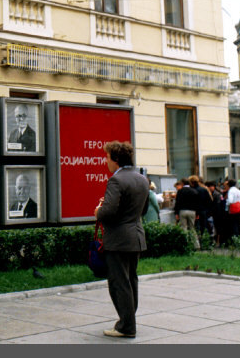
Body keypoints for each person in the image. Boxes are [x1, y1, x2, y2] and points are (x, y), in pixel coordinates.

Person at [94, 141, 149, 339]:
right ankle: (129, 320)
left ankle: (126, 326)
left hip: (118, 239)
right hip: (136, 236)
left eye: (107, 157)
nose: (105, 161)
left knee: (119, 283)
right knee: (131, 280)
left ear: (115, 160)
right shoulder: (142, 179)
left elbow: (108, 212)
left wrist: (98, 211)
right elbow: (142, 210)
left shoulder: (115, 181)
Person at [174, 178, 200, 250]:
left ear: (182, 184)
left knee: (184, 228)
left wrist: (176, 213)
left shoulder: (180, 191)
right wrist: (197, 213)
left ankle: (185, 244)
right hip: (192, 211)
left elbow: (177, 203)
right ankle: (196, 245)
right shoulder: (194, 191)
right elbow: (197, 203)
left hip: (182, 211)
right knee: (192, 228)